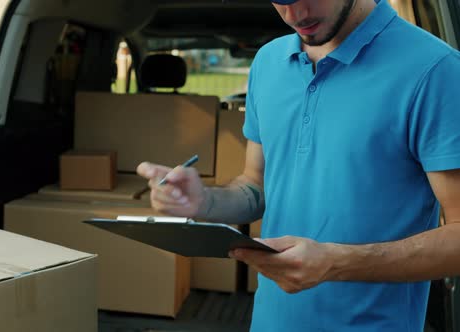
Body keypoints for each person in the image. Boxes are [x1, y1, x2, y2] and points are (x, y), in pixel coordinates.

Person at [136, 0, 460, 330]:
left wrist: (335, 263)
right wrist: (204, 201)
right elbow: (256, 185)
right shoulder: (267, 62)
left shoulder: (435, 69)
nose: (295, 14)